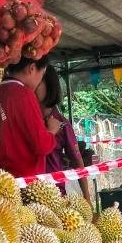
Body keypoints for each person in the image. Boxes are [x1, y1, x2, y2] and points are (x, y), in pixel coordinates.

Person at [0, 55, 60, 178]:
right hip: (25, 180)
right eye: (41, 74)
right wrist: (52, 131)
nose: (40, 80)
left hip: (1, 178)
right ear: (32, 68)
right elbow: (42, 145)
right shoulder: (24, 95)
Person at [36, 64, 92, 203]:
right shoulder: (28, 119)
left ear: (49, 86)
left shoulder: (62, 123)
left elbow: (77, 160)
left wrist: (87, 198)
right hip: (28, 191)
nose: (33, 84)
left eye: (39, 79)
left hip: (55, 194)